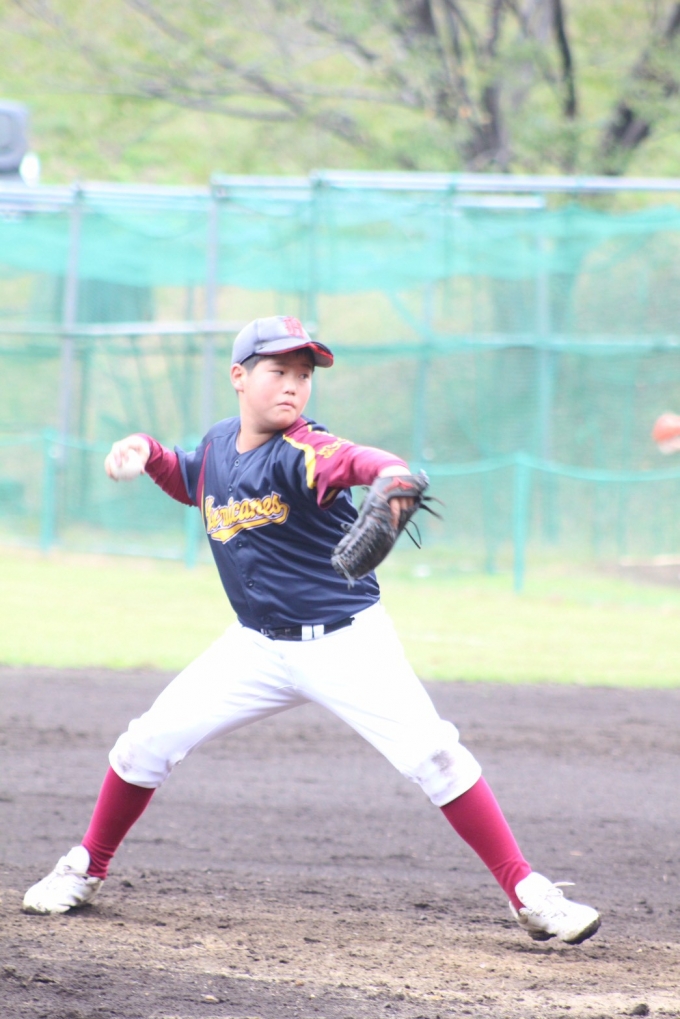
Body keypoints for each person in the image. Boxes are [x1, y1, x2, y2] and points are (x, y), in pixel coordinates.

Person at [22, 315, 600, 945]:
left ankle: (528, 893)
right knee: (144, 744)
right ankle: (86, 866)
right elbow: (190, 477)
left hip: (345, 643)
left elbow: (357, 461)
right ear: (239, 377)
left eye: (304, 374)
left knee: (436, 757)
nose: (293, 384)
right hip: (254, 646)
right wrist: (145, 450)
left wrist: (392, 475)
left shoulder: (304, 450)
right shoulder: (219, 446)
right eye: (279, 370)